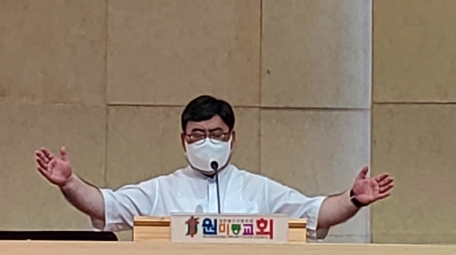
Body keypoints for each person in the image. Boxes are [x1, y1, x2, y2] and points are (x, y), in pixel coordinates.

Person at [35, 95, 393, 238]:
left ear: (232, 138)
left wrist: (353, 199)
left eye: (217, 134)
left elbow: (315, 213)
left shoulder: (258, 189)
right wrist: (70, 184)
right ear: (183, 140)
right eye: (197, 134)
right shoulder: (162, 190)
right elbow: (105, 206)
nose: (207, 141)